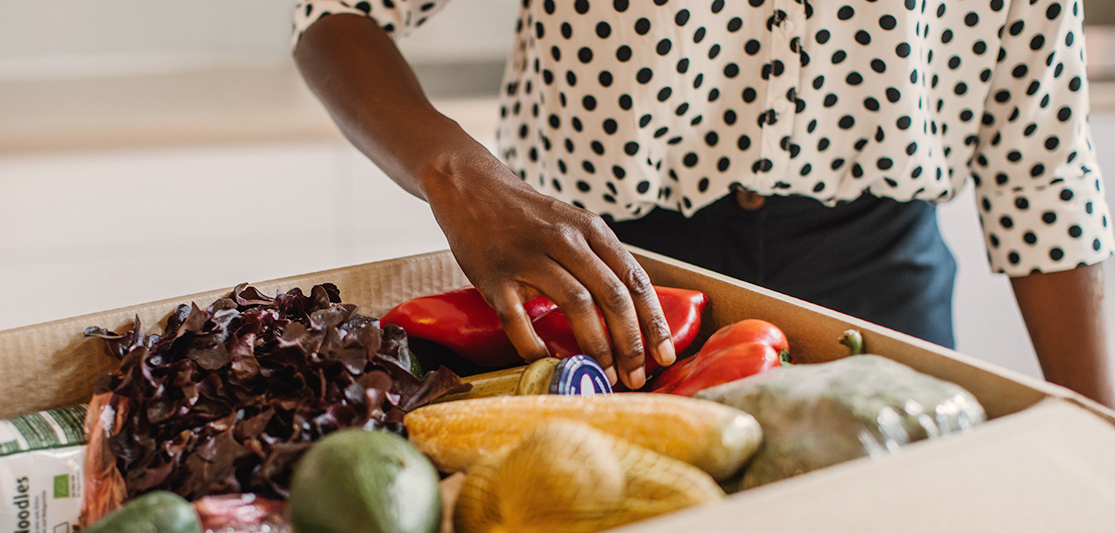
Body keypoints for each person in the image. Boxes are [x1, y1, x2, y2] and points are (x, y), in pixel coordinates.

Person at [290, 0, 1115, 407]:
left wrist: (1098, 435)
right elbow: (333, 13)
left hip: (876, 288)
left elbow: (1039, 159)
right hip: (594, 280)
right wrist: (457, 173)